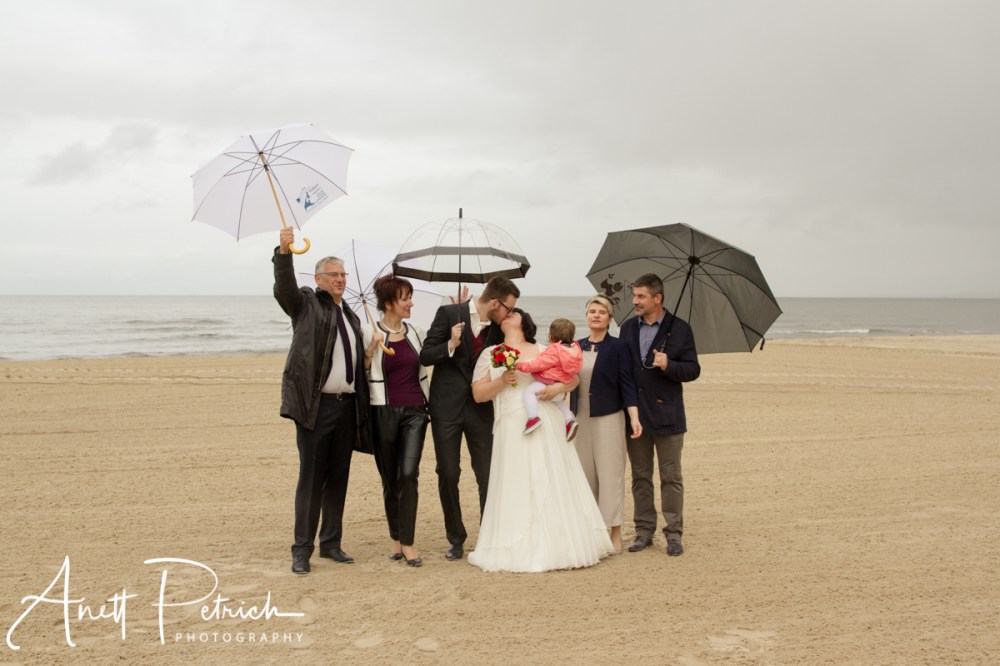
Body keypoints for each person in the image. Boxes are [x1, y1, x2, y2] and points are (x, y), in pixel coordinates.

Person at [468, 308, 613, 572]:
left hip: (546, 418)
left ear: (523, 321)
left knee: (551, 476)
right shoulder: (491, 353)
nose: (507, 316)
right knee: (517, 481)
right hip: (511, 423)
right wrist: (502, 381)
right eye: (505, 314)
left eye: (513, 313)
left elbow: (571, 380)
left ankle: (560, 542)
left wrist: (558, 388)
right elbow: (478, 394)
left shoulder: (545, 349)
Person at [273, 227, 371, 575]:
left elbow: (350, 359)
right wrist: (284, 253)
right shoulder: (306, 304)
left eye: (344, 275)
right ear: (318, 278)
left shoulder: (351, 315)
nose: (341, 279)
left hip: (347, 407)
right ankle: (302, 549)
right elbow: (283, 290)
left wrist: (368, 356)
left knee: (338, 478)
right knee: (311, 480)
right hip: (316, 407)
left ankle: (331, 543)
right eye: (334, 275)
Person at [419, 277, 520, 561]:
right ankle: (456, 538)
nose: (509, 315)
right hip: (446, 408)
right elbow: (425, 355)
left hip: (481, 408)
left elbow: (503, 361)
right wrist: (450, 343)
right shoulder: (449, 314)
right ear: (494, 303)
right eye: (508, 309)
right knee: (448, 473)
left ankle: (489, 534)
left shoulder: (499, 330)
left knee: (487, 473)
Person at [619, 273, 700, 557]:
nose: (635, 301)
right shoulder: (628, 327)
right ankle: (643, 531)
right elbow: (624, 371)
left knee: (671, 477)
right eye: (634, 296)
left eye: (641, 296)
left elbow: (693, 370)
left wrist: (670, 365)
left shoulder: (680, 329)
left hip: (669, 415)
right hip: (635, 415)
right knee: (640, 477)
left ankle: (674, 533)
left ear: (658, 298)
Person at [361, 275, 430, 568]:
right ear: (389, 303)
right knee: (390, 480)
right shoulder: (369, 332)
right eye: (405, 298)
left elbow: (433, 356)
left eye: (410, 297)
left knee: (408, 474)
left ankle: (410, 544)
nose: (411, 303)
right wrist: (369, 352)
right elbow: (360, 375)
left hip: (415, 411)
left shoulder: (417, 331)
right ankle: (396, 541)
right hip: (383, 412)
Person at [570, 295, 643, 555]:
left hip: (609, 419)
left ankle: (614, 533)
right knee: (585, 475)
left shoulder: (619, 347)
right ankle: (591, 531)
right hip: (580, 418)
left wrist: (634, 417)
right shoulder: (575, 346)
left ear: (610, 318)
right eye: (592, 311)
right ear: (587, 316)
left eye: (602, 312)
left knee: (610, 475)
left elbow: (628, 384)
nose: (596, 315)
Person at [516, 318, 583, 439]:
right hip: (561, 388)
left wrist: (521, 366)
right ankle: (569, 420)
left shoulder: (554, 349)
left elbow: (539, 363)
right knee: (559, 402)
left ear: (550, 336)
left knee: (529, 392)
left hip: (549, 383)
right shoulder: (574, 349)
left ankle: (533, 418)